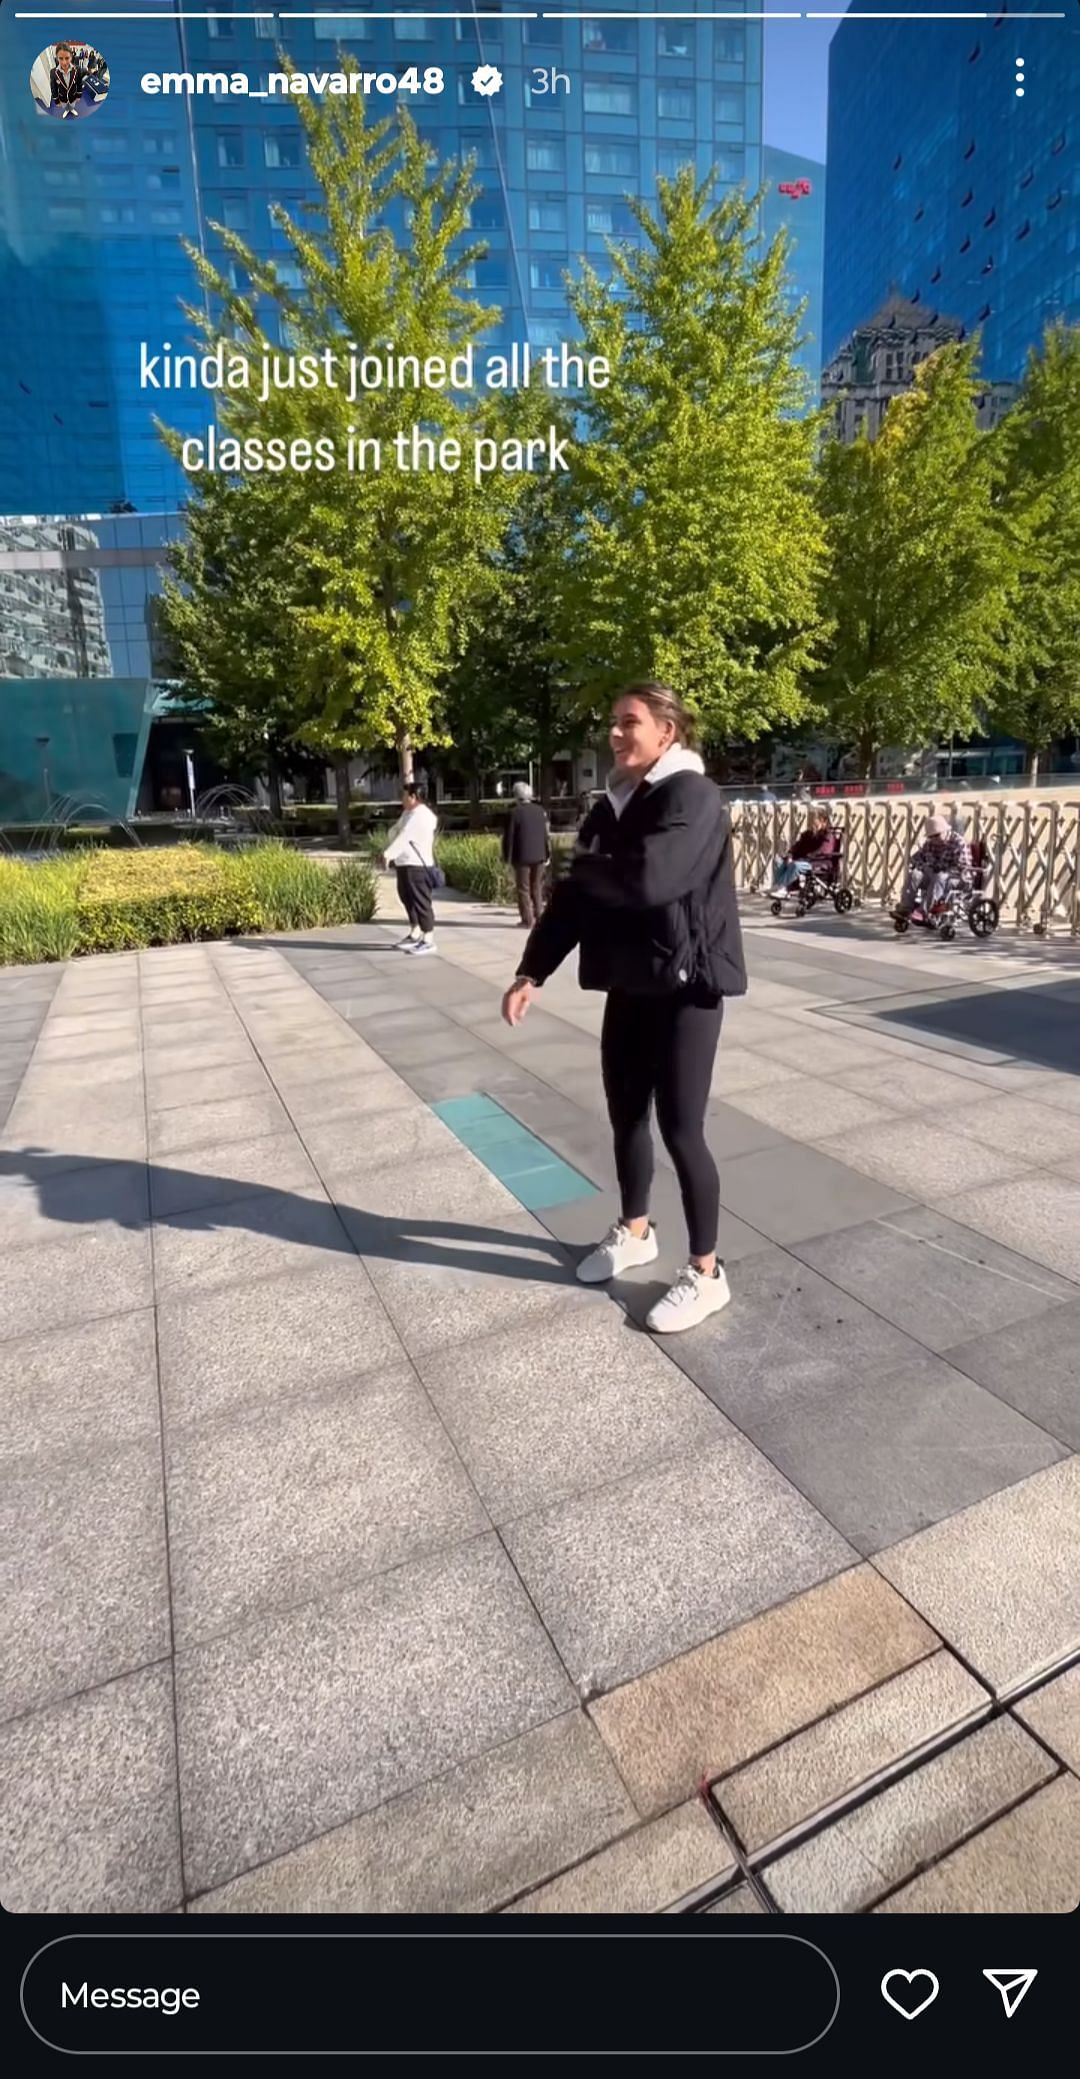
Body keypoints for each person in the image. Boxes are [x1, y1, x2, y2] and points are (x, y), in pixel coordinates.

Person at [502, 680, 746, 1335]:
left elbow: (651, 878)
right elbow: (572, 901)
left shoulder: (693, 797)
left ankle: (705, 1271)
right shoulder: (611, 805)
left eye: (628, 722)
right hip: (631, 985)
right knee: (625, 1117)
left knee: (682, 1130)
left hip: (689, 989)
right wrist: (534, 969)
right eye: (612, 722)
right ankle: (635, 1231)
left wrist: (583, 872)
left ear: (667, 731)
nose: (615, 733)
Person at [383, 781, 439, 956]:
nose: (402, 798)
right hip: (405, 863)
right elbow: (395, 831)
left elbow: (405, 835)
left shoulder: (422, 815)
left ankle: (428, 938)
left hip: (417, 866)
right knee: (407, 898)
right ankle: (415, 932)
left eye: (404, 795)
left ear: (413, 797)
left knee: (421, 902)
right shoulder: (408, 813)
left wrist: (388, 854)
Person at [894, 813, 970, 921]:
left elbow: (963, 867)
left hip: (956, 877)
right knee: (915, 874)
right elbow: (918, 858)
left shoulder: (958, 842)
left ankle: (924, 911)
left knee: (940, 877)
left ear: (945, 831)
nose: (934, 839)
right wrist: (923, 866)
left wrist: (939, 868)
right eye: (931, 836)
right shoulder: (930, 843)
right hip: (934, 874)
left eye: (937, 835)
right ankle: (906, 908)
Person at [502, 780, 550, 928]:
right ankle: (540, 917)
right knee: (537, 887)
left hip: (522, 856)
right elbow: (545, 835)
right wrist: (547, 854)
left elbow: (509, 837)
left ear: (516, 796)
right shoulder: (540, 811)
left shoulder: (514, 813)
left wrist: (506, 857)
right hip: (539, 855)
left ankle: (527, 920)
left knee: (523, 888)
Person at [766, 806, 840, 897]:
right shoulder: (807, 834)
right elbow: (797, 846)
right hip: (802, 860)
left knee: (795, 865)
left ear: (823, 822)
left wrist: (802, 859)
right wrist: (790, 855)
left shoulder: (828, 836)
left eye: (815, 822)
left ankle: (783, 888)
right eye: (812, 822)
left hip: (816, 862)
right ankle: (777, 886)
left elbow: (823, 851)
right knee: (778, 860)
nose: (813, 824)